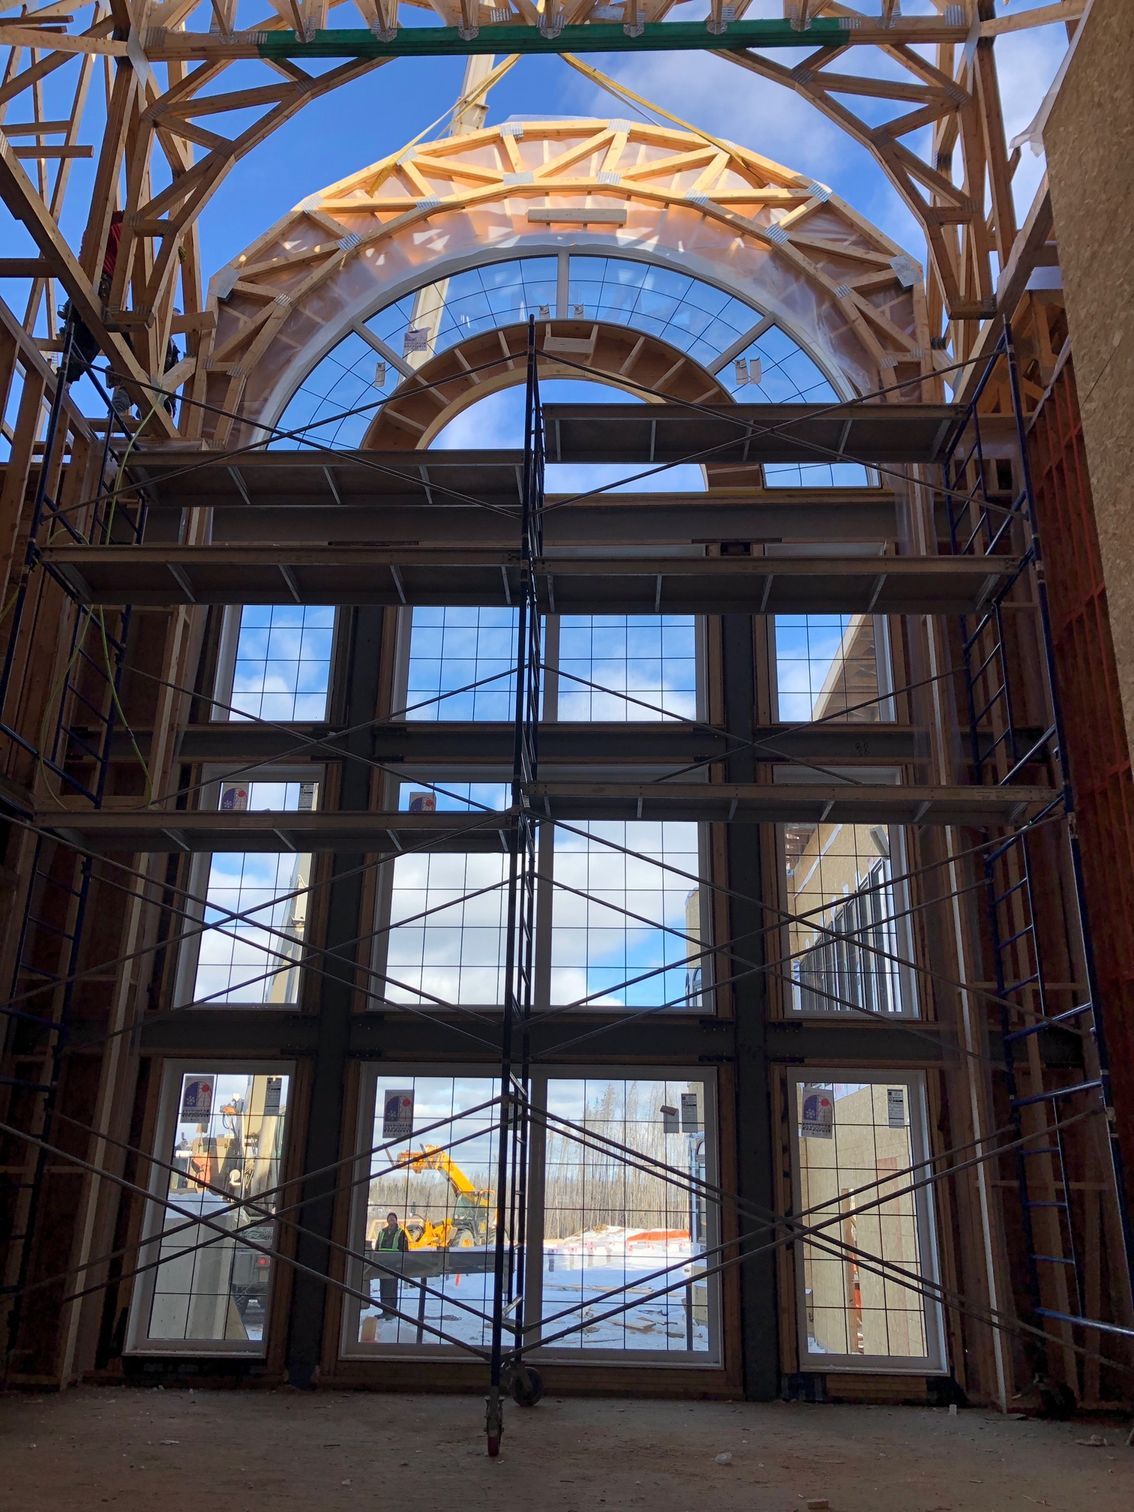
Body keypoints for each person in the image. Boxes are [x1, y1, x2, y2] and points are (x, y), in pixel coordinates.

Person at [375, 1210, 408, 1317]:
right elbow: (377, 1248)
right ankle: (384, 1311)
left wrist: (401, 1262)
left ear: (396, 1220)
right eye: (389, 1218)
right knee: (383, 1288)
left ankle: (392, 1311)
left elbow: (404, 1249)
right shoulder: (382, 1232)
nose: (391, 1220)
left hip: (394, 1264)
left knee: (391, 1288)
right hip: (382, 1264)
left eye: (393, 1218)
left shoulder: (400, 1232)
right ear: (387, 1220)